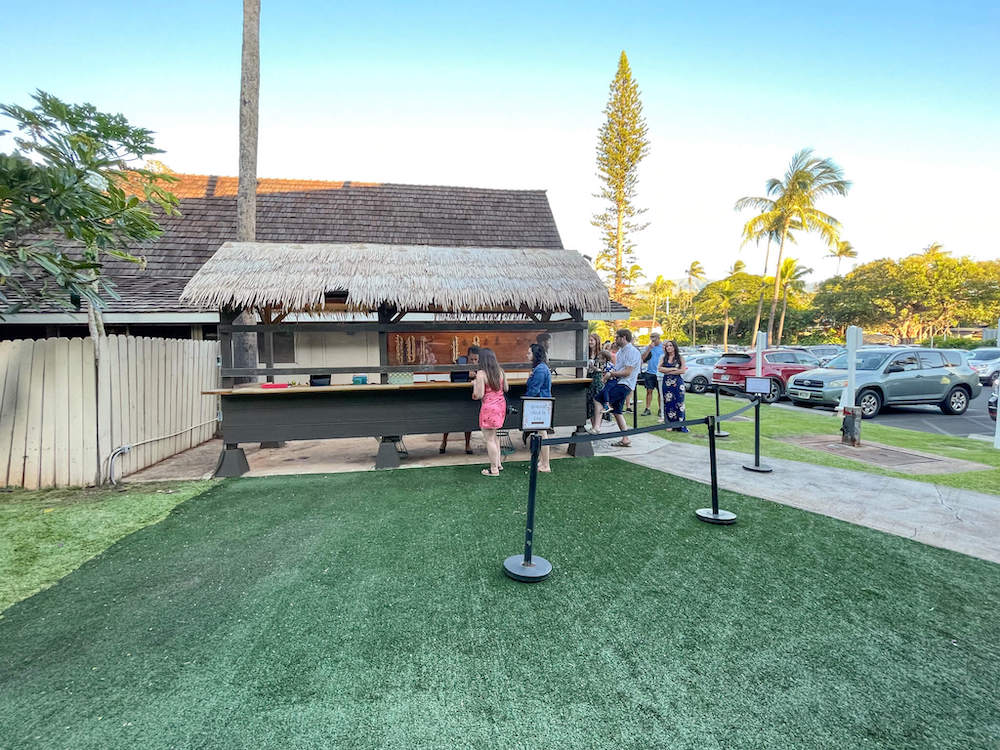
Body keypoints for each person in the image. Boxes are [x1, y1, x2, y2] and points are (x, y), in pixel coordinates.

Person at [588, 328, 641, 447]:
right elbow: (618, 369)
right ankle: (626, 439)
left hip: (625, 384)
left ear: (623, 338)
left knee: (598, 399)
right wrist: (608, 373)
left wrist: (611, 374)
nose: (615, 339)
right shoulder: (621, 352)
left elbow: (627, 372)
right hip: (618, 382)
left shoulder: (632, 352)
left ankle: (596, 427)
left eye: (617, 337)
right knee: (617, 412)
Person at [472, 347, 509, 477]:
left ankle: (494, 469)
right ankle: (498, 463)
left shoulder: (481, 374)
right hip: (500, 407)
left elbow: (480, 394)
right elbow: (506, 388)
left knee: (489, 439)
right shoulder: (500, 371)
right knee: (495, 437)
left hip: (488, 408)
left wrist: (475, 384)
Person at [440, 346, 479, 455]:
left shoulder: (480, 365)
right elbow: (453, 375)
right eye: (472, 359)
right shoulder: (459, 361)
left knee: (468, 421)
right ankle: (444, 442)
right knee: (449, 420)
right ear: (467, 356)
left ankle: (467, 444)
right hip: (455, 394)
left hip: (469, 395)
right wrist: (467, 374)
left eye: (476, 360)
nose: (474, 362)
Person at [523, 343, 553, 472]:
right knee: (540, 433)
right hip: (540, 403)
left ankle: (546, 464)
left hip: (540, 404)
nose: (527, 354)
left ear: (535, 355)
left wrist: (525, 399)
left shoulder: (540, 369)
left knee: (542, 433)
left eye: (529, 352)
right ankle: (542, 462)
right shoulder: (540, 368)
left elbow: (534, 389)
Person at [658, 339, 689, 433]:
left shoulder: (680, 358)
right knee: (668, 403)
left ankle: (680, 424)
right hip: (666, 382)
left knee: (679, 403)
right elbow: (660, 369)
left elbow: (682, 370)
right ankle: (670, 424)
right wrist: (672, 369)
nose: (668, 347)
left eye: (670, 345)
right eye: (667, 346)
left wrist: (667, 370)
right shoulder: (664, 358)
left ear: (674, 347)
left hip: (678, 383)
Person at [640, 332, 665, 417]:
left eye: (654, 337)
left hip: (660, 373)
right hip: (650, 372)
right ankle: (647, 409)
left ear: (658, 338)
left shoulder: (663, 347)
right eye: (651, 337)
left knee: (660, 392)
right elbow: (642, 359)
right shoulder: (649, 347)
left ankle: (661, 409)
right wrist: (649, 349)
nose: (652, 339)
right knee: (649, 391)